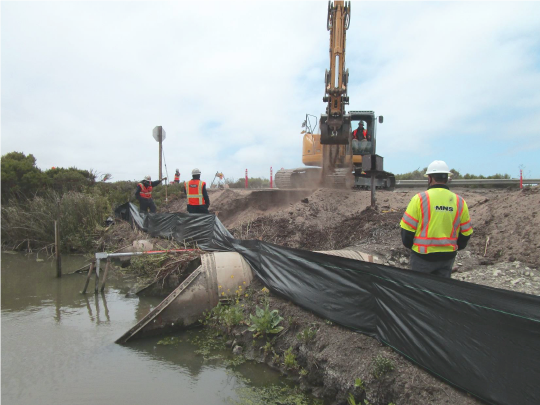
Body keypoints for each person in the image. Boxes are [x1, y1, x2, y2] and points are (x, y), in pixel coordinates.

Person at [400, 160, 473, 278]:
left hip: (422, 257)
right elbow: (466, 234)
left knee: (419, 292)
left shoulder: (419, 199)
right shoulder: (460, 202)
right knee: (440, 292)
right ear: (447, 178)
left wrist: (413, 247)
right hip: (447, 257)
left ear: (429, 178)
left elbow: (406, 234)